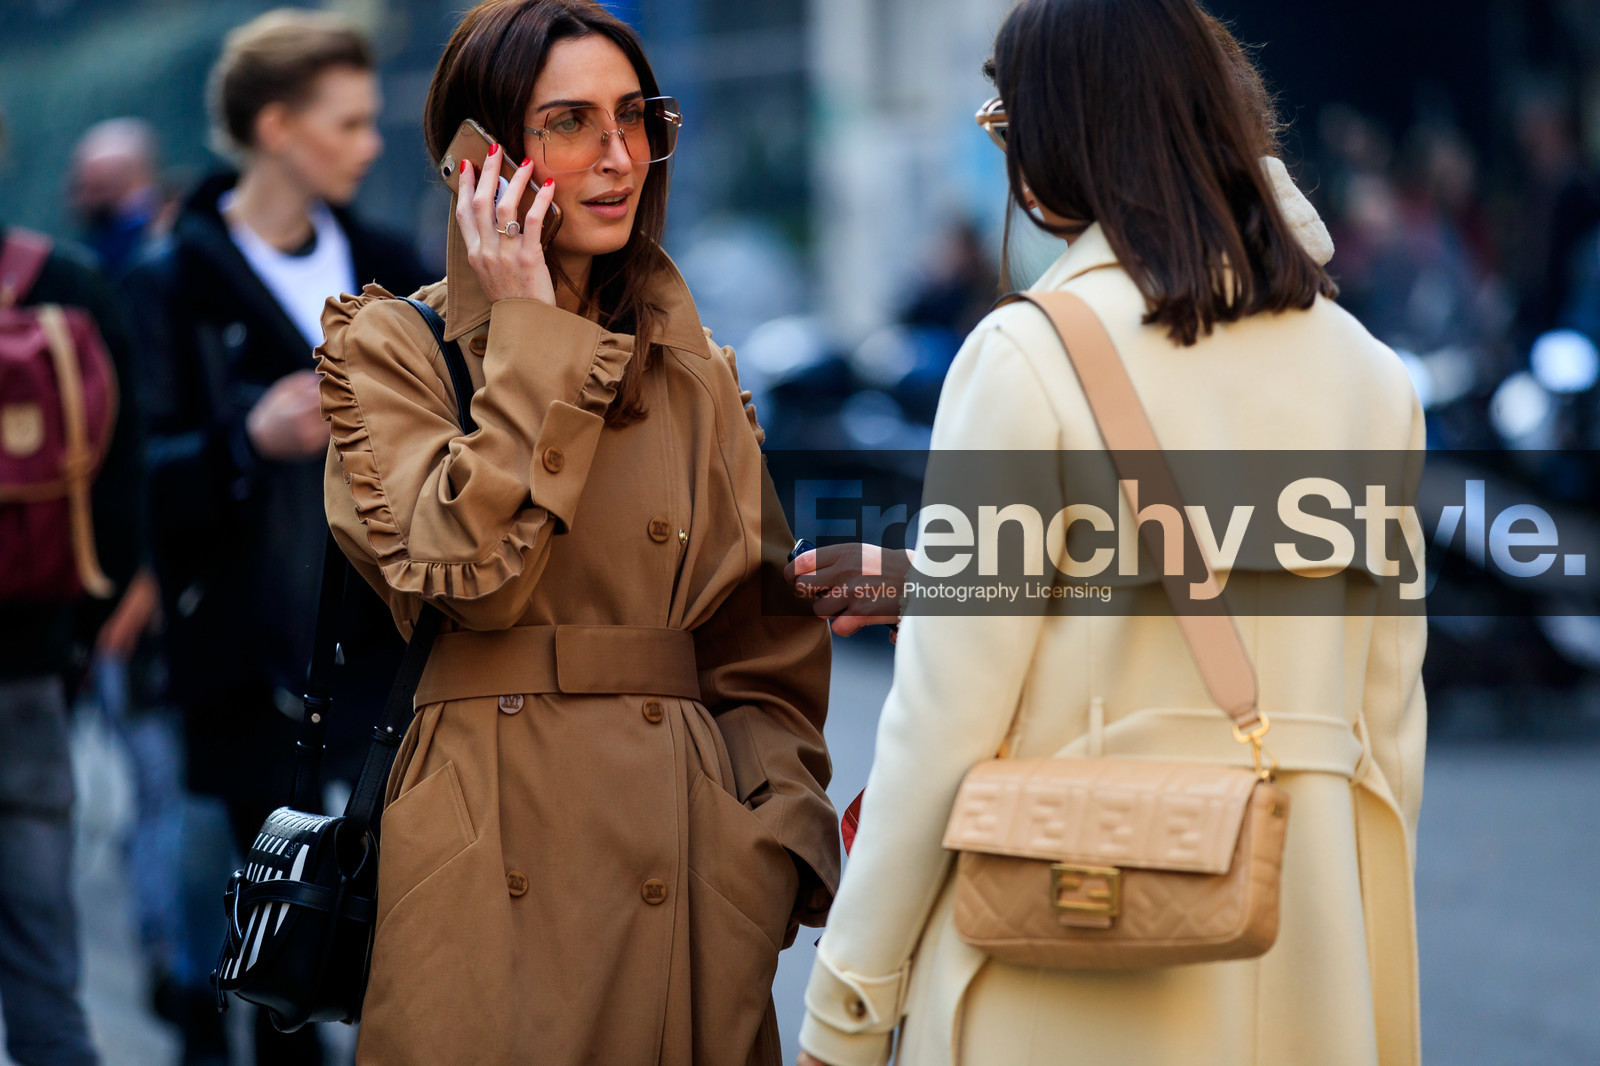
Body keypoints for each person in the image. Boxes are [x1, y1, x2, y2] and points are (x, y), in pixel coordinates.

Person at [794, 1, 1426, 1064]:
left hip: (1074, 955)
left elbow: (939, 732)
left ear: (1062, 137)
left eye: (1007, 124)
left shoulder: (1028, 357)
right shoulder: (1371, 375)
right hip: (1306, 970)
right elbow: (1387, 746)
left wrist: (846, 1009)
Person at [313, 1, 838, 1062]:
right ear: (478, 160)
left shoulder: (695, 373)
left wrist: (765, 845)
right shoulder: (391, 349)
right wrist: (532, 337)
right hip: (481, 872)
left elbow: (763, 652)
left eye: (635, 117)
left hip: (687, 883)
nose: (619, 156)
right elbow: (468, 576)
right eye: (570, 123)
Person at [124, 10, 428, 1064]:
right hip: (243, 664)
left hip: (381, 656)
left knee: (382, 943)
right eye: (348, 122)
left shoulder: (391, 267)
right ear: (275, 127)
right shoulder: (171, 283)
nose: (371, 144)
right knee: (257, 951)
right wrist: (245, 441)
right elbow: (137, 478)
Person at [0, 106, 151, 1066]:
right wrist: (82, 629)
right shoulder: (66, 284)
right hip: (28, 665)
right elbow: (123, 471)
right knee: (45, 971)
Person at [69, 118, 168, 279]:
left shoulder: (160, 239)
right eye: (80, 188)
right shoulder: (98, 239)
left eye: (98, 188)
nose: (83, 200)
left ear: (135, 180)